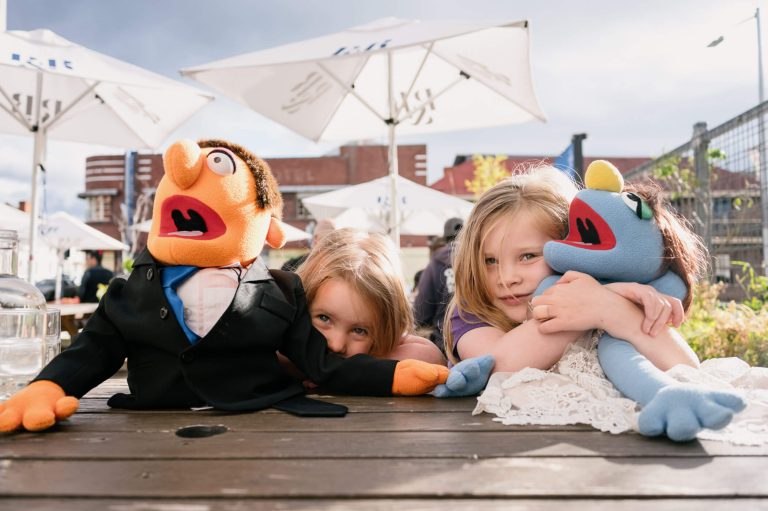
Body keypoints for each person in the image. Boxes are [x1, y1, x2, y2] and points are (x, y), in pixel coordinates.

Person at [443, 165, 698, 374]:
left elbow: (685, 369)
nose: (507, 279)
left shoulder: (609, 300)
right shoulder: (471, 314)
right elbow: (497, 364)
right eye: (489, 261)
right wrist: (597, 303)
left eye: (528, 256)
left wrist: (613, 308)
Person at [279, 228, 445, 385]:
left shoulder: (387, 347)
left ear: (384, 332)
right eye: (324, 318)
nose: (336, 345)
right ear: (302, 304)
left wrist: (336, 376)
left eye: (359, 330)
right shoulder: (282, 340)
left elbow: (430, 358)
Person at [413, 217, 463, 353]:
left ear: (445, 237)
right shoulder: (479, 257)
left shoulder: (436, 261)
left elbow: (421, 313)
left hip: (445, 344)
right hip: (480, 340)